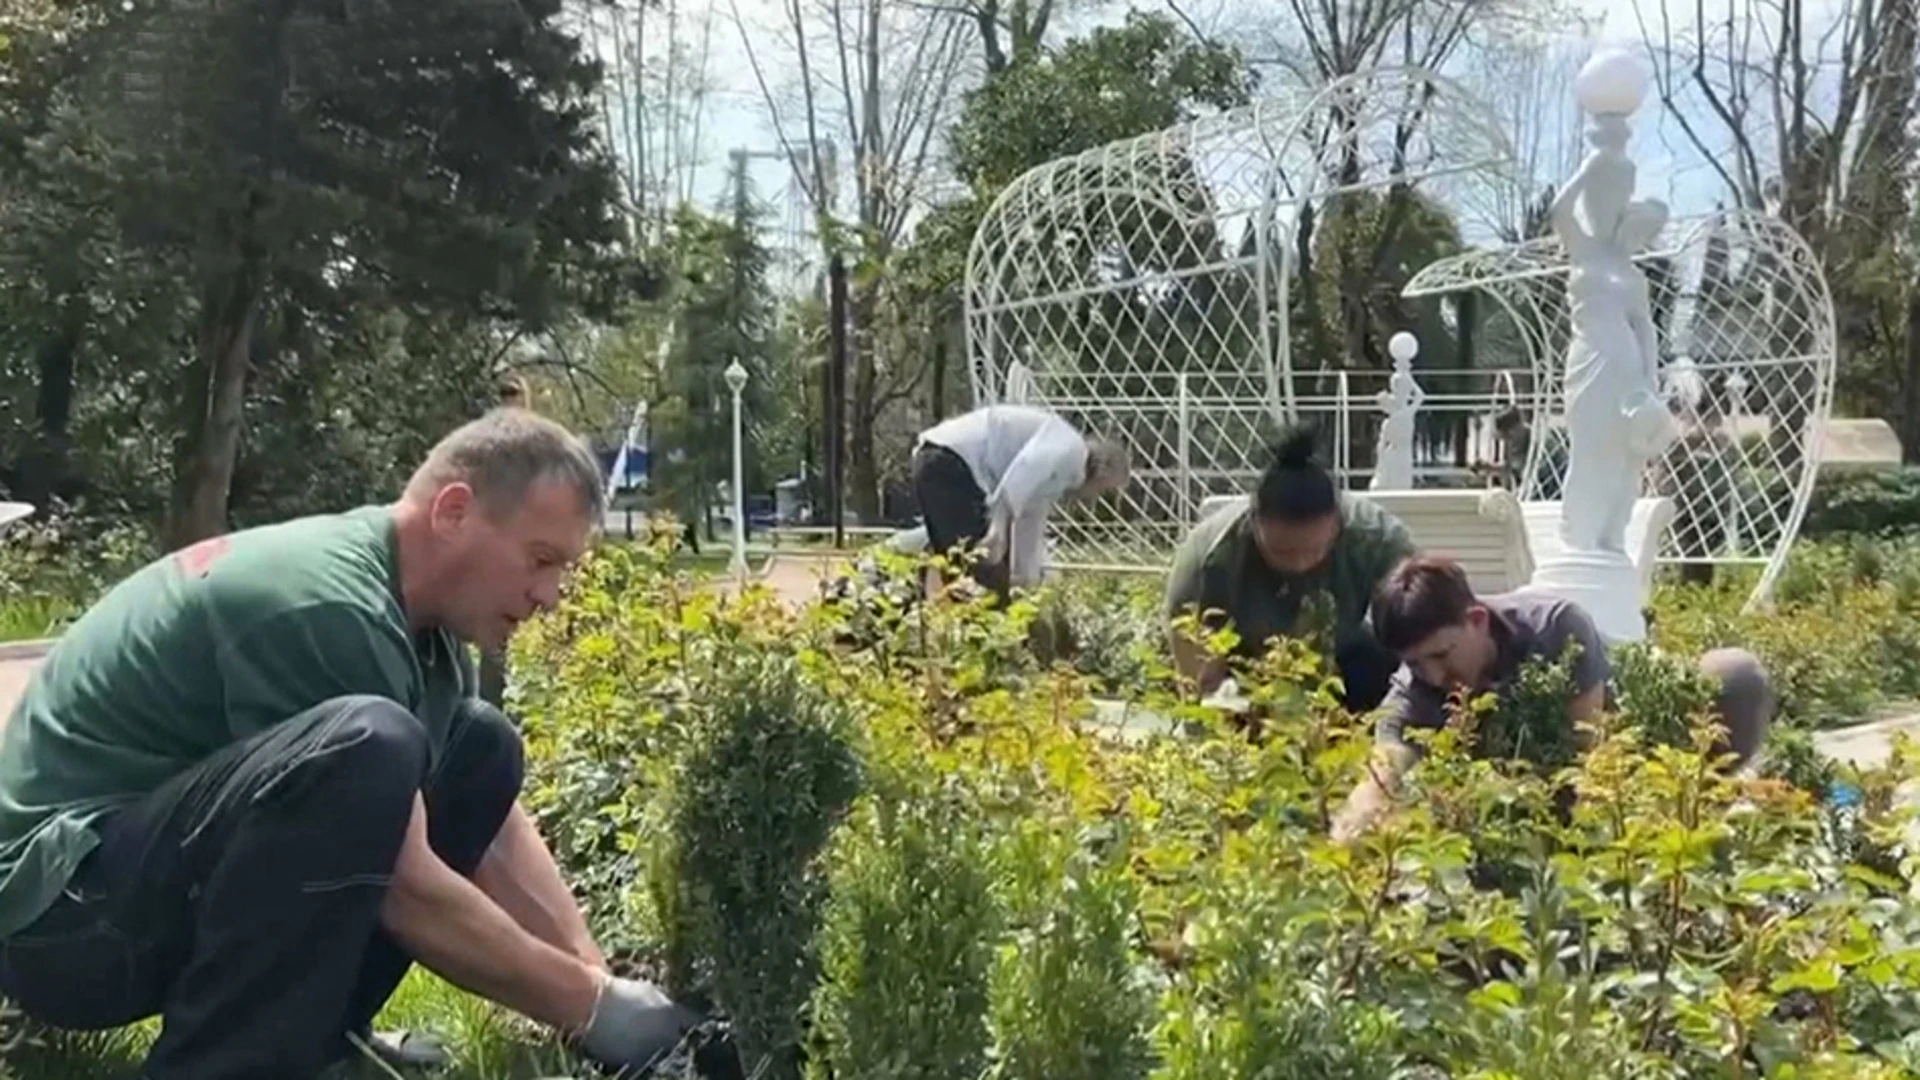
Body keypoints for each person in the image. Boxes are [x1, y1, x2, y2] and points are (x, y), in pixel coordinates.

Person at [0, 409, 705, 1079]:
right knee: (367, 752)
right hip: (61, 917)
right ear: (454, 511)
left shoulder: (418, 624)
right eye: (541, 559)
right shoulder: (328, 606)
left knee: (478, 745)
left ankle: (319, 1037)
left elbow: (495, 837)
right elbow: (407, 888)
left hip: (132, 876)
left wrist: (598, 983)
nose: (551, 595)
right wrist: (584, 1006)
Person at [1331, 554, 1774, 842]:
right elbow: (1382, 771)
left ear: (1477, 620)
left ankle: (1712, 808)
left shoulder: (1557, 628)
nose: (1434, 674)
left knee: (1735, 675)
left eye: (1441, 654)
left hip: (1635, 735)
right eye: (1416, 663)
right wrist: (1351, 832)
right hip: (1541, 790)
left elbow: (1590, 759)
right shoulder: (1416, 688)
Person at [1164, 425, 1416, 711]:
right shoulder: (1208, 558)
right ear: (1254, 522)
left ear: (1338, 523)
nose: (1299, 565)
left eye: (1315, 551)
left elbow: (1425, 641)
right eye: (1282, 552)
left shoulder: (1379, 540)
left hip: (1347, 667)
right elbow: (1199, 687)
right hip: (1247, 680)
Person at [910, 404, 1131, 600]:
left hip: (940, 461)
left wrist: (1028, 584)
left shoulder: (1058, 476)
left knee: (962, 570)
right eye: (1104, 491)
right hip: (950, 461)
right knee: (979, 576)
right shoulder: (1071, 449)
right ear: (1102, 473)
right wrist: (997, 530)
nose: (1095, 499)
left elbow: (1029, 522)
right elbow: (1023, 471)